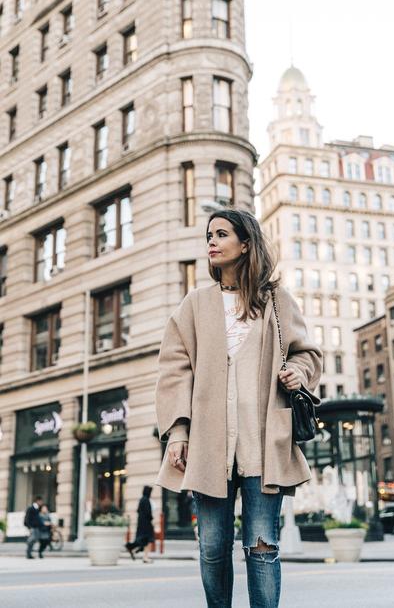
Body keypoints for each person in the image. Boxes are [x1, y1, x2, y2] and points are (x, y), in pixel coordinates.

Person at [155, 208, 322, 608]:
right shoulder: (195, 304)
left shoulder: (277, 302)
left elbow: (308, 354)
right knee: (212, 549)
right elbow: (174, 370)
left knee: (262, 547)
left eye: (221, 234)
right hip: (209, 446)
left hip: (264, 445)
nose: (211, 242)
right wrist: (178, 433)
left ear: (245, 244)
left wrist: (298, 372)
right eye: (208, 235)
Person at [125, 486, 155, 563]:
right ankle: (145, 557)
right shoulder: (146, 500)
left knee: (143, 540)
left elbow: (138, 511)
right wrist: (151, 519)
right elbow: (148, 513)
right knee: (148, 540)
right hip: (147, 524)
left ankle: (133, 549)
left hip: (141, 524)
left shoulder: (141, 500)